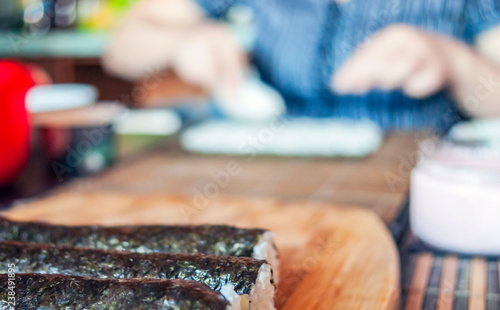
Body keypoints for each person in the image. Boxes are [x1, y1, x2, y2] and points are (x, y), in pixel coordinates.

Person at [103, 0, 500, 131]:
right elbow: (122, 48)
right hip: (274, 182)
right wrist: (181, 41)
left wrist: (454, 61)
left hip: (418, 197)